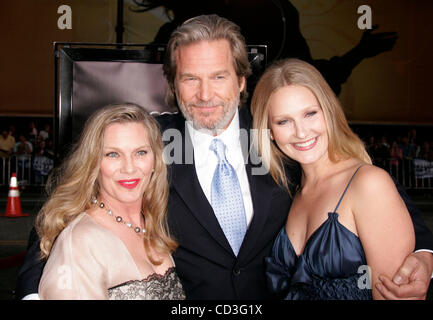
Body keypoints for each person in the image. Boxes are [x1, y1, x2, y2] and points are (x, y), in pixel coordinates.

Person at [17, 14, 433, 300]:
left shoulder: (281, 134)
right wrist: (37, 292)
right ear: (173, 85)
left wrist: (424, 256)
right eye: (190, 79)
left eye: (218, 77)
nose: (204, 94)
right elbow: (63, 214)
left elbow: (368, 187)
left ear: (241, 80)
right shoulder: (149, 141)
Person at [251, 58, 417, 299]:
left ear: (328, 111)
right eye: (284, 121)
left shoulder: (368, 184)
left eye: (310, 114)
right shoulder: (292, 190)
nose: (301, 132)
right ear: (270, 133)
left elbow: (397, 295)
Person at [35, 104, 185, 299]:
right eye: (113, 154)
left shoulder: (151, 223)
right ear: (93, 163)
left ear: (155, 160)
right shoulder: (80, 241)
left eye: (140, 152)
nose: (129, 168)